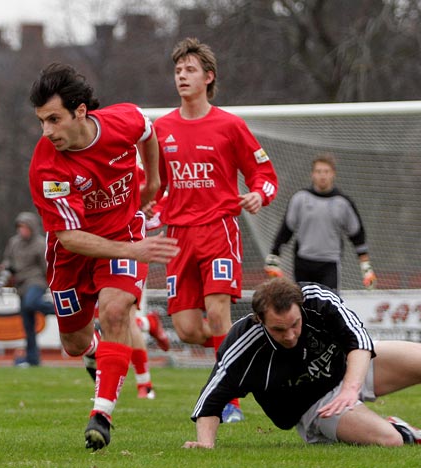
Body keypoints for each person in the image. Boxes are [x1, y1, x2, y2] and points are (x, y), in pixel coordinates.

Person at [27, 63, 179, 451]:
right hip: (73, 255)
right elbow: (70, 237)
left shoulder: (122, 120)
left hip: (125, 233)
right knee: (74, 344)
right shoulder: (47, 165)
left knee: (115, 313)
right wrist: (134, 250)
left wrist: (156, 179)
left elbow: (148, 130)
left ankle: (102, 415)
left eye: (54, 119)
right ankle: (95, 352)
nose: (47, 131)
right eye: (42, 121)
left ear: (81, 111)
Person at [184, 277, 421, 448]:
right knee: (390, 442)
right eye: (279, 329)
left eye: (294, 324)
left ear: (300, 306)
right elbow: (210, 400)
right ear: (259, 320)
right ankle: (398, 429)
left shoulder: (317, 300)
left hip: (350, 368)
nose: (291, 335)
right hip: (316, 405)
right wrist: (205, 445)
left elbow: (359, 340)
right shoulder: (243, 344)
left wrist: (351, 387)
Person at [152, 37, 278, 423]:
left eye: (190, 70)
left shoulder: (230, 125)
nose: (182, 76)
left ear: (208, 77)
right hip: (177, 236)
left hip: (218, 230)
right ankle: (250, 350)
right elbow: (153, 186)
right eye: (177, 70)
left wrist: (258, 194)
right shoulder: (161, 128)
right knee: (189, 329)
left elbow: (264, 174)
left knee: (218, 314)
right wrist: (152, 213)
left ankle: (230, 402)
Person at [264, 152, 376, 291]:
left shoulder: (343, 203)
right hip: (303, 262)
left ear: (333, 173)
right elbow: (287, 229)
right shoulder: (300, 198)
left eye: (326, 171)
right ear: (312, 174)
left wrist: (366, 268)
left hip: (330, 264)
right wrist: (274, 257)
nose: (322, 175)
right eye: (318, 171)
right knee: (304, 308)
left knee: (329, 308)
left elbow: (357, 236)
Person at [0, 211, 55, 367]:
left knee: (31, 303)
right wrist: (5, 271)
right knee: (28, 325)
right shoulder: (13, 242)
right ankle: (33, 359)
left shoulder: (41, 244)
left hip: (36, 281)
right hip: (20, 284)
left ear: (33, 227)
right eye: (20, 227)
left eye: (25, 227)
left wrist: (51, 284)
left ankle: (58, 310)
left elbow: (46, 267)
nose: (22, 230)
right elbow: (9, 261)